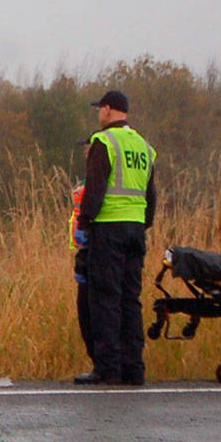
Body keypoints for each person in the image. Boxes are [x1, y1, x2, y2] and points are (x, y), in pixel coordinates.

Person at [74, 90, 156, 386]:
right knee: (130, 299)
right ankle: (134, 368)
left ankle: (108, 367)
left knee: (105, 298)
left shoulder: (104, 142)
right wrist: (143, 224)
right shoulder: (144, 146)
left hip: (108, 228)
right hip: (135, 229)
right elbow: (151, 194)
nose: (99, 114)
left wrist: (85, 224)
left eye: (100, 109)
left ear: (108, 110)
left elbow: (95, 189)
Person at [69, 184, 94, 369]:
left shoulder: (88, 190)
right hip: (87, 257)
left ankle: (104, 365)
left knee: (90, 313)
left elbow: (79, 235)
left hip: (94, 255)